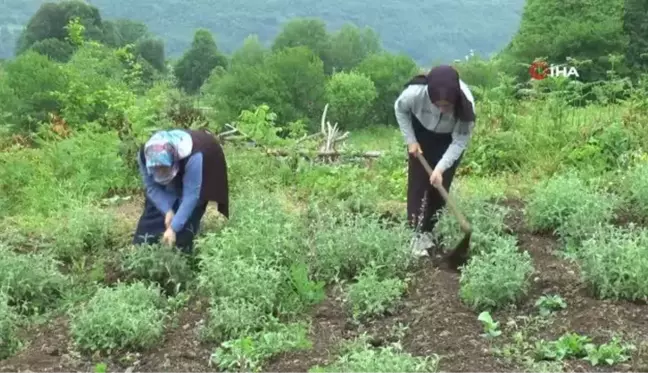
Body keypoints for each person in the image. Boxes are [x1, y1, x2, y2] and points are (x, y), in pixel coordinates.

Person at [394, 65, 476, 257]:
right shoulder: (414, 94)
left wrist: (440, 168)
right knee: (418, 185)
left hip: (448, 141)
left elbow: (460, 140)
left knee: (441, 186)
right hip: (421, 134)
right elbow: (400, 110)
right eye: (437, 104)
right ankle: (415, 235)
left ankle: (429, 231)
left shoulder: (466, 105)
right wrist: (411, 140)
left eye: (447, 106)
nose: (442, 109)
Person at [132, 128, 229, 253]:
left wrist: (173, 228)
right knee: (155, 211)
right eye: (157, 169)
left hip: (206, 159)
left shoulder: (195, 156)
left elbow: (191, 196)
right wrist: (167, 210)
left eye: (164, 168)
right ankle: (142, 250)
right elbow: (151, 187)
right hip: (177, 162)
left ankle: (183, 254)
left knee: (188, 220)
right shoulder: (144, 155)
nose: (161, 172)